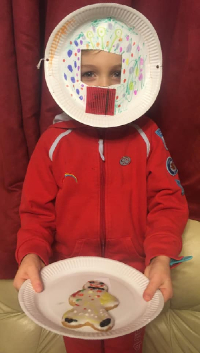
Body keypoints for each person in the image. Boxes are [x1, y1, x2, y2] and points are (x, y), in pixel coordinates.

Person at [14, 4, 189, 353]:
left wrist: (159, 256)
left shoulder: (148, 136)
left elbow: (168, 201)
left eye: (117, 74)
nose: (104, 87)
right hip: (68, 280)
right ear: (69, 76)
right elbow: (35, 212)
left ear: (137, 75)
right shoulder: (54, 141)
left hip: (131, 279)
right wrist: (31, 252)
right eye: (90, 73)